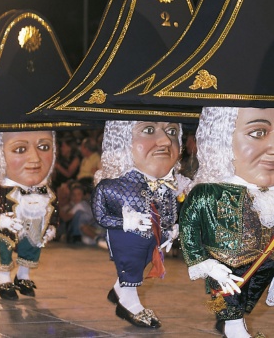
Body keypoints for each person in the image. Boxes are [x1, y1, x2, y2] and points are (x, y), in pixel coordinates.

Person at [179, 107, 274, 338]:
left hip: (265, 264)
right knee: (231, 310)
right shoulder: (208, 192)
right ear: (221, 136)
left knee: (245, 305)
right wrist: (206, 264)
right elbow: (189, 229)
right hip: (224, 266)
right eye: (259, 133)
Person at [92, 120, 188, 329]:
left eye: (172, 131)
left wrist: (171, 228)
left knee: (143, 263)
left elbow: (169, 208)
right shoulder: (111, 186)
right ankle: (128, 301)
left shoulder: (169, 183)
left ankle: (118, 290)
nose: (165, 141)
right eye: (148, 130)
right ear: (122, 140)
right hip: (126, 238)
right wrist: (126, 221)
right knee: (131, 264)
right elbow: (101, 217)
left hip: (155, 238)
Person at [0, 131, 58, 301]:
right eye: (20, 149)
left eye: (44, 147)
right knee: (3, 245)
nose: (35, 158)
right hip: (5, 228)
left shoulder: (46, 192)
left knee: (34, 243)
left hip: (33, 224)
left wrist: (51, 226)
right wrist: (0, 220)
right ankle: (3, 278)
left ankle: (23, 275)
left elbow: (53, 208)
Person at [59, 181, 106, 247]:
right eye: (73, 195)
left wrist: (58, 207)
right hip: (91, 228)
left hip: (92, 227)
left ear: (83, 196)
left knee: (78, 215)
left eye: (79, 194)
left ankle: (74, 236)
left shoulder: (80, 205)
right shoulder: (77, 204)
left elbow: (65, 218)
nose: (76, 197)